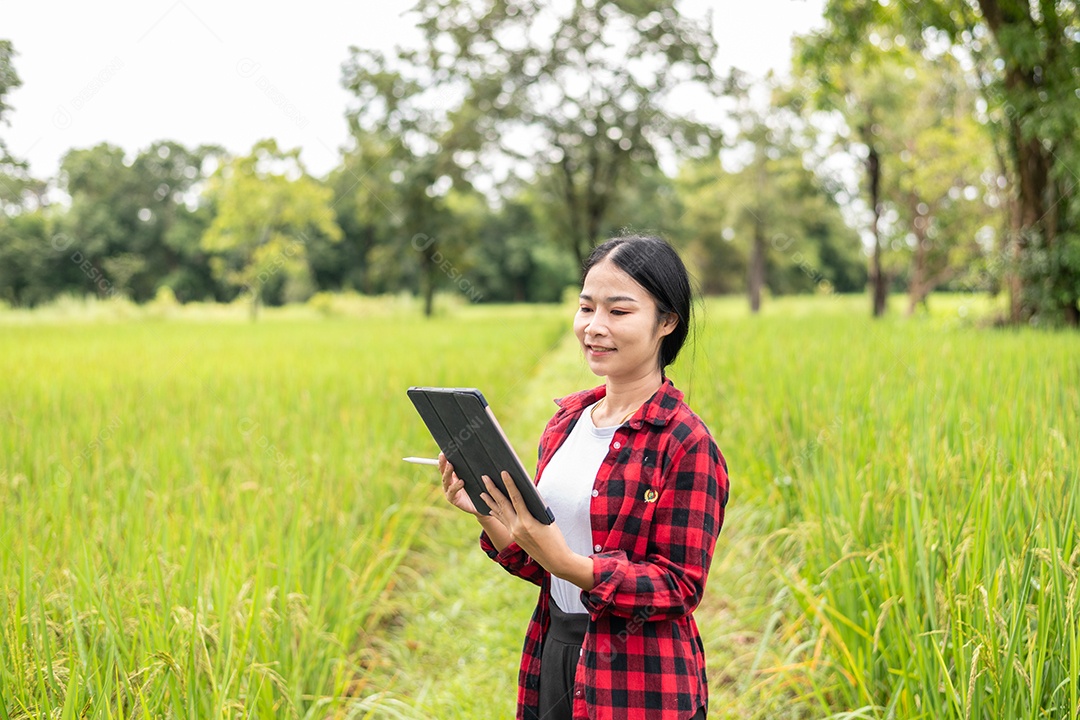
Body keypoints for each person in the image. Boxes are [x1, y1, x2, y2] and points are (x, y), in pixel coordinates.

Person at [438, 234, 729, 720]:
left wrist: (573, 566)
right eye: (586, 307)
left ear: (667, 322)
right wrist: (492, 518)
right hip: (555, 650)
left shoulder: (685, 443)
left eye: (618, 312)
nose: (594, 327)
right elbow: (546, 565)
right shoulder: (565, 425)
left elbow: (679, 586)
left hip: (640, 679)